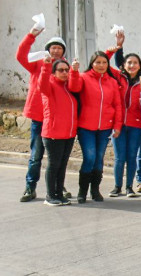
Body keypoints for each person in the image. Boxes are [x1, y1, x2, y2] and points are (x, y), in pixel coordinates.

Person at [16, 24, 70, 202]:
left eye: (59, 48)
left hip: (57, 121)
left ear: (63, 52)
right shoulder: (38, 64)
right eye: (53, 48)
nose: (55, 51)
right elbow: (20, 55)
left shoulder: (64, 69)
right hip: (40, 118)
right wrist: (31, 35)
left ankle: (58, 187)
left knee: (58, 159)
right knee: (36, 155)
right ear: (48, 50)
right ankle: (30, 187)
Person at [68, 52, 123, 203]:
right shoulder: (84, 78)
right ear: (92, 63)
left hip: (105, 127)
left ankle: (95, 190)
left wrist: (117, 126)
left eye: (104, 62)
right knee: (90, 157)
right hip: (86, 127)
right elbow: (73, 87)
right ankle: (82, 191)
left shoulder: (112, 82)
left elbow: (117, 105)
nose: (101, 65)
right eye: (98, 62)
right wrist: (74, 71)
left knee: (99, 159)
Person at [108, 50, 141, 198]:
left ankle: (129, 187)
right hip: (119, 123)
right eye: (129, 62)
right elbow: (103, 62)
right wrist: (116, 48)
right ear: (124, 65)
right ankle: (117, 186)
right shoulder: (118, 78)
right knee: (119, 157)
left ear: (140, 65)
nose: (132, 65)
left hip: (136, 124)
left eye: (135, 63)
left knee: (132, 155)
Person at [38, 56, 78, 206]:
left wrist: (74, 71)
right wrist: (46, 66)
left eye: (66, 70)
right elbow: (41, 84)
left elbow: (77, 84)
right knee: (54, 165)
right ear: (53, 72)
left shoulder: (68, 87)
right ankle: (50, 195)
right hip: (53, 133)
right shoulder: (49, 85)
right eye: (60, 70)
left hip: (68, 133)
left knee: (62, 165)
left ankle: (59, 193)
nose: (64, 73)